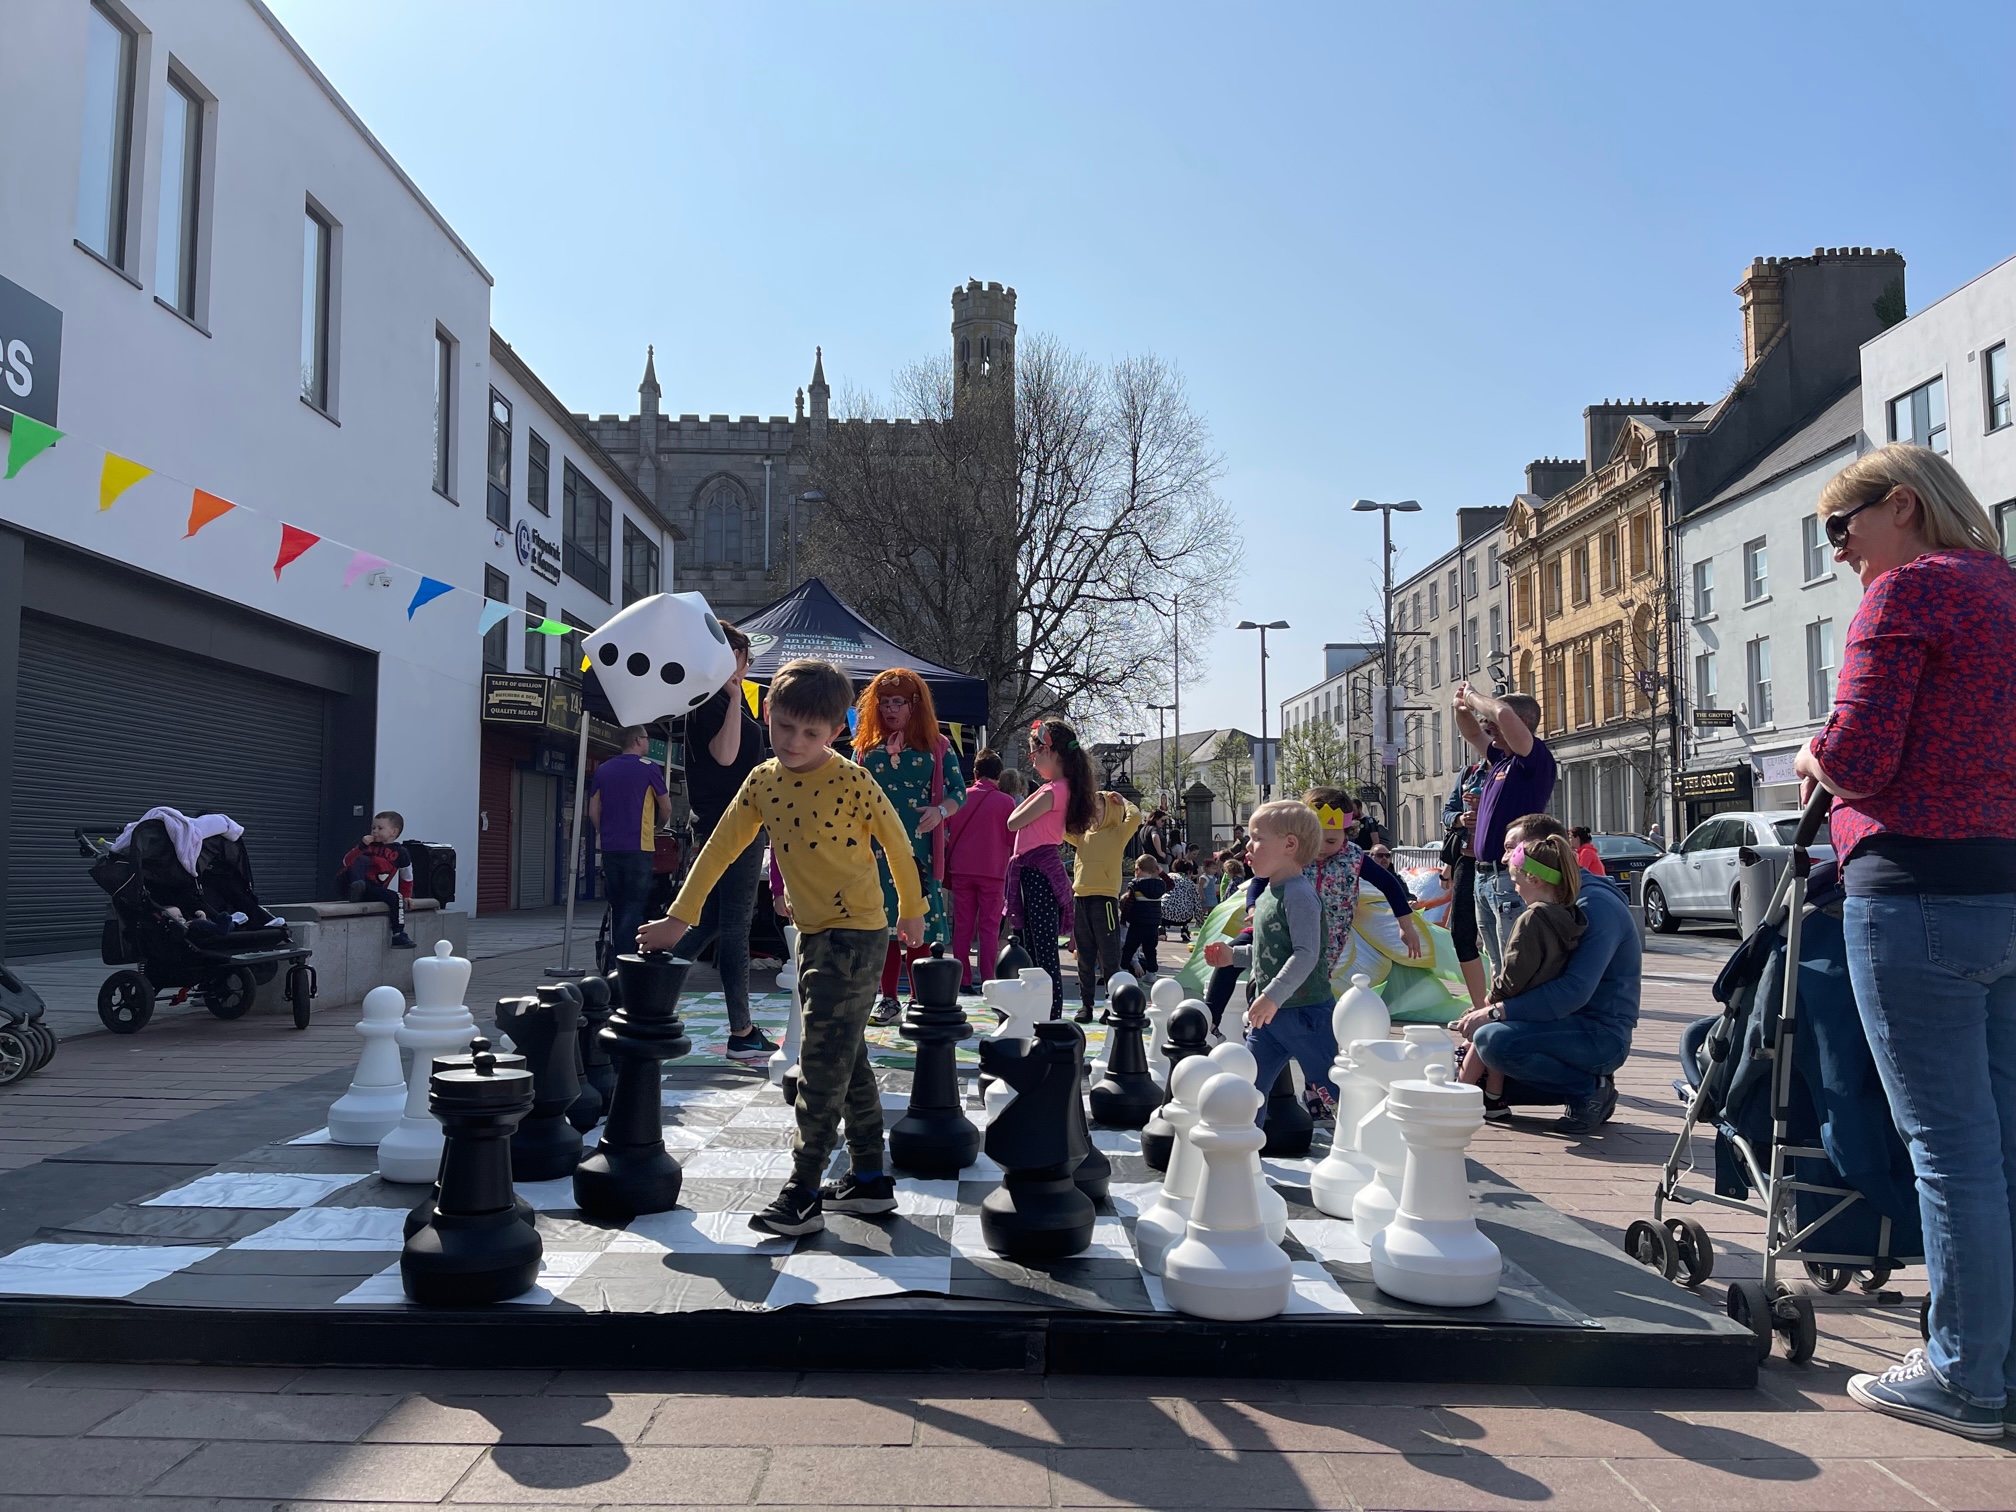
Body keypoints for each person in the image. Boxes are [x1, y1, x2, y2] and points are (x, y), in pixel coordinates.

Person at [1787, 445, 2016, 1440]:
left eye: (1842, 527)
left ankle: (1964, 1375)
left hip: (1915, 890)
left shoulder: (1907, 594)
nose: (1838, 552)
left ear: (1903, 509)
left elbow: (1862, 760)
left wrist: (1811, 753)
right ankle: (1997, 1359)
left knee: (1949, 1147)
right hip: (2008, 885)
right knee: (2003, 1143)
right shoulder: (2006, 592)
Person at [639, 659, 923, 1237]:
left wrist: (913, 909)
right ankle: (869, 1179)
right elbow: (718, 851)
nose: (795, 742)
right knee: (846, 1054)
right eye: (786, 727)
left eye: (811, 734)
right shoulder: (763, 781)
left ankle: (803, 1189)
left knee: (820, 1062)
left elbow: (898, 844)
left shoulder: (853, 780)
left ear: (836, 732)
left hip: (858, 933)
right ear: (768, 714)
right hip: (815, 934)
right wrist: (678, 918)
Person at [1454, 812, 1637, 1133]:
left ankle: (1589, 1089)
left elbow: (1573, 992)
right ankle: (1578, 1084)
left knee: (1494, 1043)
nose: (1504, 857)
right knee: (1483, 1064)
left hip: (1599, 1034)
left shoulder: (1596, 905)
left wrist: (1496, 1012)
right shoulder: (1555, 900)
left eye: (1512, 848)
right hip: (1561, 1025)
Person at [674, 624, 773, 1063]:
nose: (748, 667)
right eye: (745, 657)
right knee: (736, 926)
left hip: (735, 824)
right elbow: (727, 756)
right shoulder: (710, 702)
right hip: (728, 826)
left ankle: (640, 992)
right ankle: (741, 1031)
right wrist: (735, 697)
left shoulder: (713, 701)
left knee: (710, 921)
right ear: (729, 654)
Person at [1202, 799, 1337, 1119]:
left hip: (1306, 1014)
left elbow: (1306, 955)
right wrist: (1233, 956)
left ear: (1290, 845)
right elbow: (1270, 955)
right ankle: (1244, 1154)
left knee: (1334, 1090)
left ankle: (1366, 1147)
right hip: (1271, 1017)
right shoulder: (1267, 895)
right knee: (1250, 1092)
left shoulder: (1300, 895)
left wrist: (1271, 997)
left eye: (1257, 838)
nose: (1247, 845)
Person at [853, 669, 966, 1025]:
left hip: (919, 850)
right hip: (876, 852)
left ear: (914, 705)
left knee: (919, 924)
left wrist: (940, 810)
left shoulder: (938, 747)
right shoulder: (864, 749)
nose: (889, 710)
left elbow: (958, 792)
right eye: (883, 703)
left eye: (897, 702)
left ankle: (919, 999)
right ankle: (887, 999)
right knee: (884, 924)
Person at [1456, 832, 1584, 1110]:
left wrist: (1488, 1002)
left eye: (1516, 882)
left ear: (1534, 880)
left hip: (1519, 1003)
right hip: (1544, 1008)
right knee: (1492, 1033)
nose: (1515, 889)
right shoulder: (1569, 914)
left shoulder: (1532, 918)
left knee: (1482, 1037)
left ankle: (1457, 1096)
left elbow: (1515, 971)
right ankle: (1493, 1097)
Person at [1454, 684, 1557, 975]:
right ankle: (1498, 1014)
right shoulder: (1501, 760)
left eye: (1494, 724)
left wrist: (1474, 698)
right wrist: (1460, 706)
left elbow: (1502, 714)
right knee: (1497, 962)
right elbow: (1473, 733)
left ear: (1522, 724)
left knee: (1515, 960)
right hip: (1484, 875)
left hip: (1509, 876)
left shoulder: (1533, 761)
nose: (1489, 727)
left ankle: (1511, 1016)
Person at [1005, 719, 1094, 1018]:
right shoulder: (1058, 788)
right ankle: (1044, 1010)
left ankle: (1050, 1012)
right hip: (1037, 869)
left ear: (1050, 751)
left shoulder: (1052, 790)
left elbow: (1013, 821)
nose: (1032, 759)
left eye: (1034, 752)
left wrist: (1029, 797)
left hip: (1037, 870)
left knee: (1040, 949)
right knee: (1037, 947)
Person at [1301, 786, 1424, 967]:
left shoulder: (1353, 857)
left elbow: (1389, 885)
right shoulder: (1296, 851)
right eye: (1314, 838)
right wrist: (1253, 907)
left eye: (1331, 841)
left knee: (1316, 981)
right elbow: (1262, 880)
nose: (1321, 848)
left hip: (1331, 940)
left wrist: (1406, 927)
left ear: (1346, 833)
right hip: (1292, 930)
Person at [1064, 786, 1142, 1021]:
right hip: (1081, 899)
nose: (1093, 815)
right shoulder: (1082, 835)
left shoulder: (1117, 832)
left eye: (1098, 809)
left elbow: (1136, 817)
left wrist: (1123, 800)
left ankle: (1111, 1004)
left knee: (1109, 956)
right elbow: (1062, 828)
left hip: (1105, 900)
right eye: (1090, 810)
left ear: (1109, 810)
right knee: (1084, 956)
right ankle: (1086, 1005)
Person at [945, 749, 1016, 992]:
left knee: (963, 925)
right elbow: (1011, 839)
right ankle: (987, 978)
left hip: (962, 869)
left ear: (975, 772)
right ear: (999, 774)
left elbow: (944, 830)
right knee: (989, 927)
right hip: (993, 871)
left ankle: (962, 978)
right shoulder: (1007, 803)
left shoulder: (960, 798)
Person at [1441, 756, 1491, 1008]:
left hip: (1500, 863)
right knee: (1461, 933)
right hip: (1466, 861)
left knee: (1497, 937)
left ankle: (1498, 1003)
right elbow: (1447, 812)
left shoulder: (1516, 772)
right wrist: (1460, 819)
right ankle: (1480, 1005)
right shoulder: (1470, 772)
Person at [340, 811, 416, 949]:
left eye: (380, 828)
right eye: (373, 828)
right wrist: (361, 847)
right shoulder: (366, 846)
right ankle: (357, 888)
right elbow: (346, 862)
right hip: (352, 883)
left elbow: (407, 876)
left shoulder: (401, 852)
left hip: (374, 888)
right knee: (362, 860)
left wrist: (406, 896)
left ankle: (398, 934)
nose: (375, 831)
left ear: (393, 832)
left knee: (395, 897)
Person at [1120, 853, 1171, 977]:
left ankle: (1123, 970)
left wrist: (1124, 918)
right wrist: (1162, 874)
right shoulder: (1160, 885)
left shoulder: (1135, 885)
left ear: (1138, 870)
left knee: (1129, 948)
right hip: (1153, 924)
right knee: (1150, 950)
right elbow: (1171, 885)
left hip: (1137, 923)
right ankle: (1151, 973)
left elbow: (1129, 903)